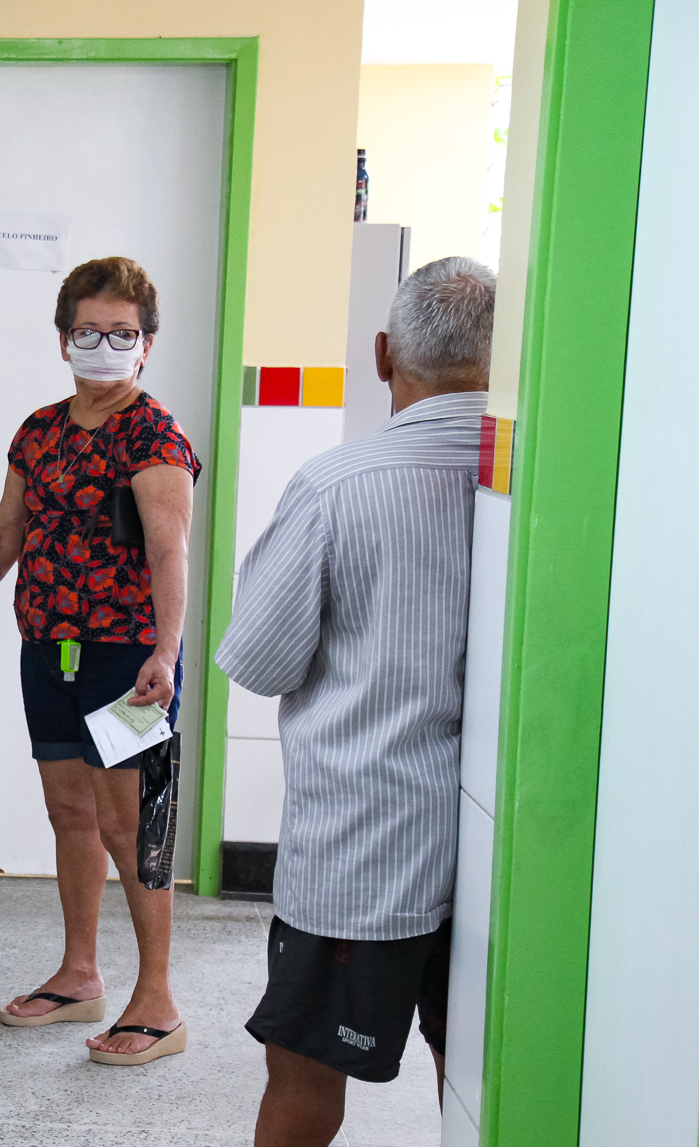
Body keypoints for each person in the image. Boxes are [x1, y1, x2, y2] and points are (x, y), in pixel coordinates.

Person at [216, 257, 495, 1146]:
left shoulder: (339, 486)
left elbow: (258, 659)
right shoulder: (537, 488)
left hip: (360, 855)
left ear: (383, 356)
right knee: (479, 1074)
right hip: (505, 851)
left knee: (304, 1076)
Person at [0, 256, 199, 1065]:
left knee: (132, 825)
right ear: (63, 336)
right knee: (72, 814)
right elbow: (7, 533)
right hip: (51, 651)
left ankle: (159, 999)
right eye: (87, 331)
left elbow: (171, 550)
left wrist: (166, 654)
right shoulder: (39, 431)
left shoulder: (154, 433)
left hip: (129, 662)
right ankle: (80, 974)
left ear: (146, 344)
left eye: (122, 333)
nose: (103, 346)